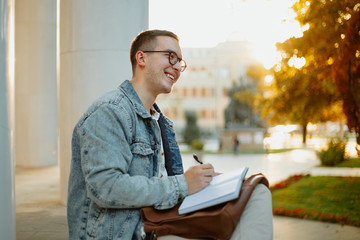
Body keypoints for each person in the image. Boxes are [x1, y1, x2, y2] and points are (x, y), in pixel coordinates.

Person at [67, 29, 273, 240]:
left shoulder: (160, 122)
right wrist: (183, 183)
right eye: (170, 56)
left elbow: (159, 183)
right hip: (128, 233)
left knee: (256, 192)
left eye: (180, 62)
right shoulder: (109, 111)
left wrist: (204, 181)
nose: (176, 67)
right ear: (142, 58)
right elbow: (106, 187)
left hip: (158, 222)